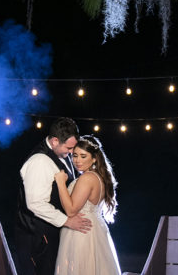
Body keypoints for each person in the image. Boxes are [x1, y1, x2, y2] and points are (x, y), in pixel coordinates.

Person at [15, 117, 93, 275]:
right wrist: (67, 221)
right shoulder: (40, 161)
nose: (72, 153)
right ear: (56, 141)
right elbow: (36, 203)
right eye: (69, 148)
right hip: (36, 237)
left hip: (50, 235)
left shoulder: (62, 155)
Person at [53, 135, 121, 275]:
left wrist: (60, 183)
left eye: (83, 156)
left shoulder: (87, 178)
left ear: (94, 158)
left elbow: (71, 211)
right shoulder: (98, 177)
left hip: (82, 232)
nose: (77, 160)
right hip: (93, 229)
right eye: (75, 155)